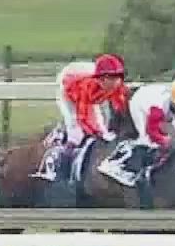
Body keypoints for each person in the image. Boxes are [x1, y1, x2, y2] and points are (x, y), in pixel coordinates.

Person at [103, 81, 175, 208]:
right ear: (173, 103)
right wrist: (164, 142)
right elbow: (152, 131)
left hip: (160, 103)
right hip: (141, 103)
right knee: (147, 141)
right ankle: (133, 167)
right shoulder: (157, 108)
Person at [35, 54, 128, 182]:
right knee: (76, 134)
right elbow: (82, 117)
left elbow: (120, 106)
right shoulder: (86, 87)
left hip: (86, 77)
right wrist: (96, 132)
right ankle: (56, 168)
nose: (116, 83)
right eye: (111, 79)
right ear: (101, 79)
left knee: (104, 128)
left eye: (118, 78)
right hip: (69, 89)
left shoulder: (116, 86)